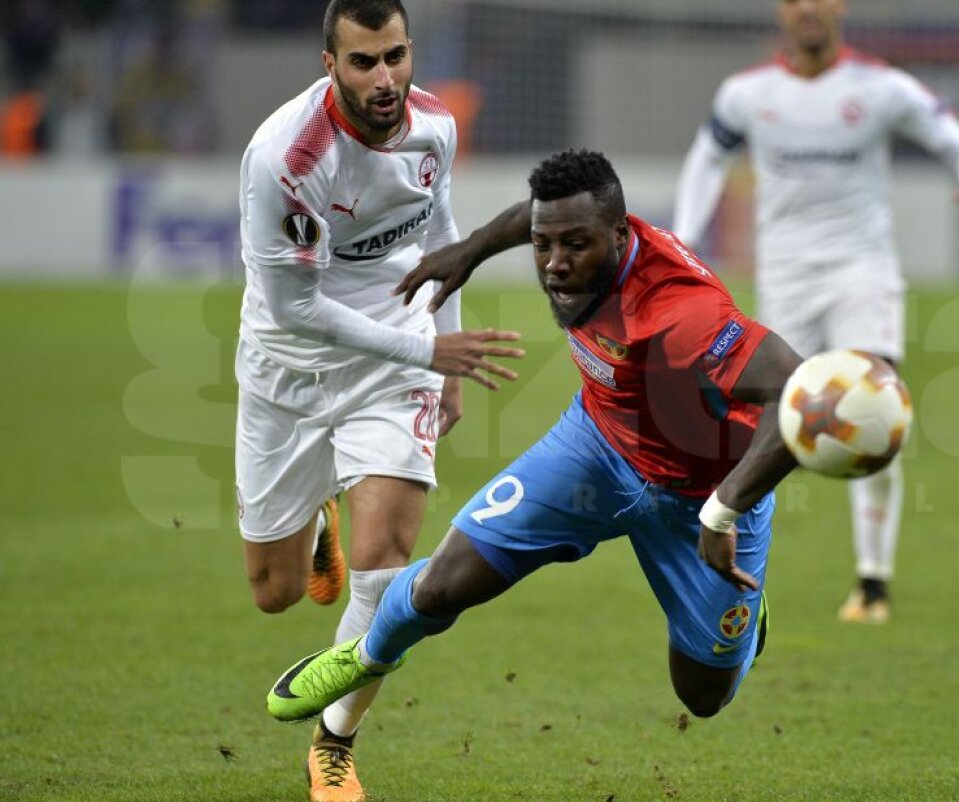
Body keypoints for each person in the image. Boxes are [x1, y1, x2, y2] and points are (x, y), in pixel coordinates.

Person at [264, 149, 805, 736]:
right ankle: (362, 657)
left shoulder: (684, 316)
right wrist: (471, 250)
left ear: (620, 235)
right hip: (596, 450)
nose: (554, 264)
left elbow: (799, 395)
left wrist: (724, 513)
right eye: (544, 245)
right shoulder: (571, 230)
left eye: (575, 245)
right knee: (443, 584)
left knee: (702, 695)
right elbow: (534, 216)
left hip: (703, 495)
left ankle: (745, 623)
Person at [236, 0, 523, 802]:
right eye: (364, 62)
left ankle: (335, 739)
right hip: (290, 368)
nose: (386, 77)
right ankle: (316, 520)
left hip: (395, 360)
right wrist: (431, 350)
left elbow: (444, 231)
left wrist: (448, 360)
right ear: (329, 64)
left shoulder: (436, 126)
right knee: (274, 590)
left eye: (396, 55)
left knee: (386, 566)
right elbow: (293, 309)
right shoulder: (287, 157)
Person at [673, 0, 959, 624]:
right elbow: (706, 160)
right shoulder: (746, 94)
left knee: (876, 408)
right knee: (768, 430)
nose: (809, 10)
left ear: (839, 8)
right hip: (786, 281)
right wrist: (685, 239)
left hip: (862, 274)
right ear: (781, 13)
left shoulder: (881, 88)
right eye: (796, 1)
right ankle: (738, 566)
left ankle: (873, 582)